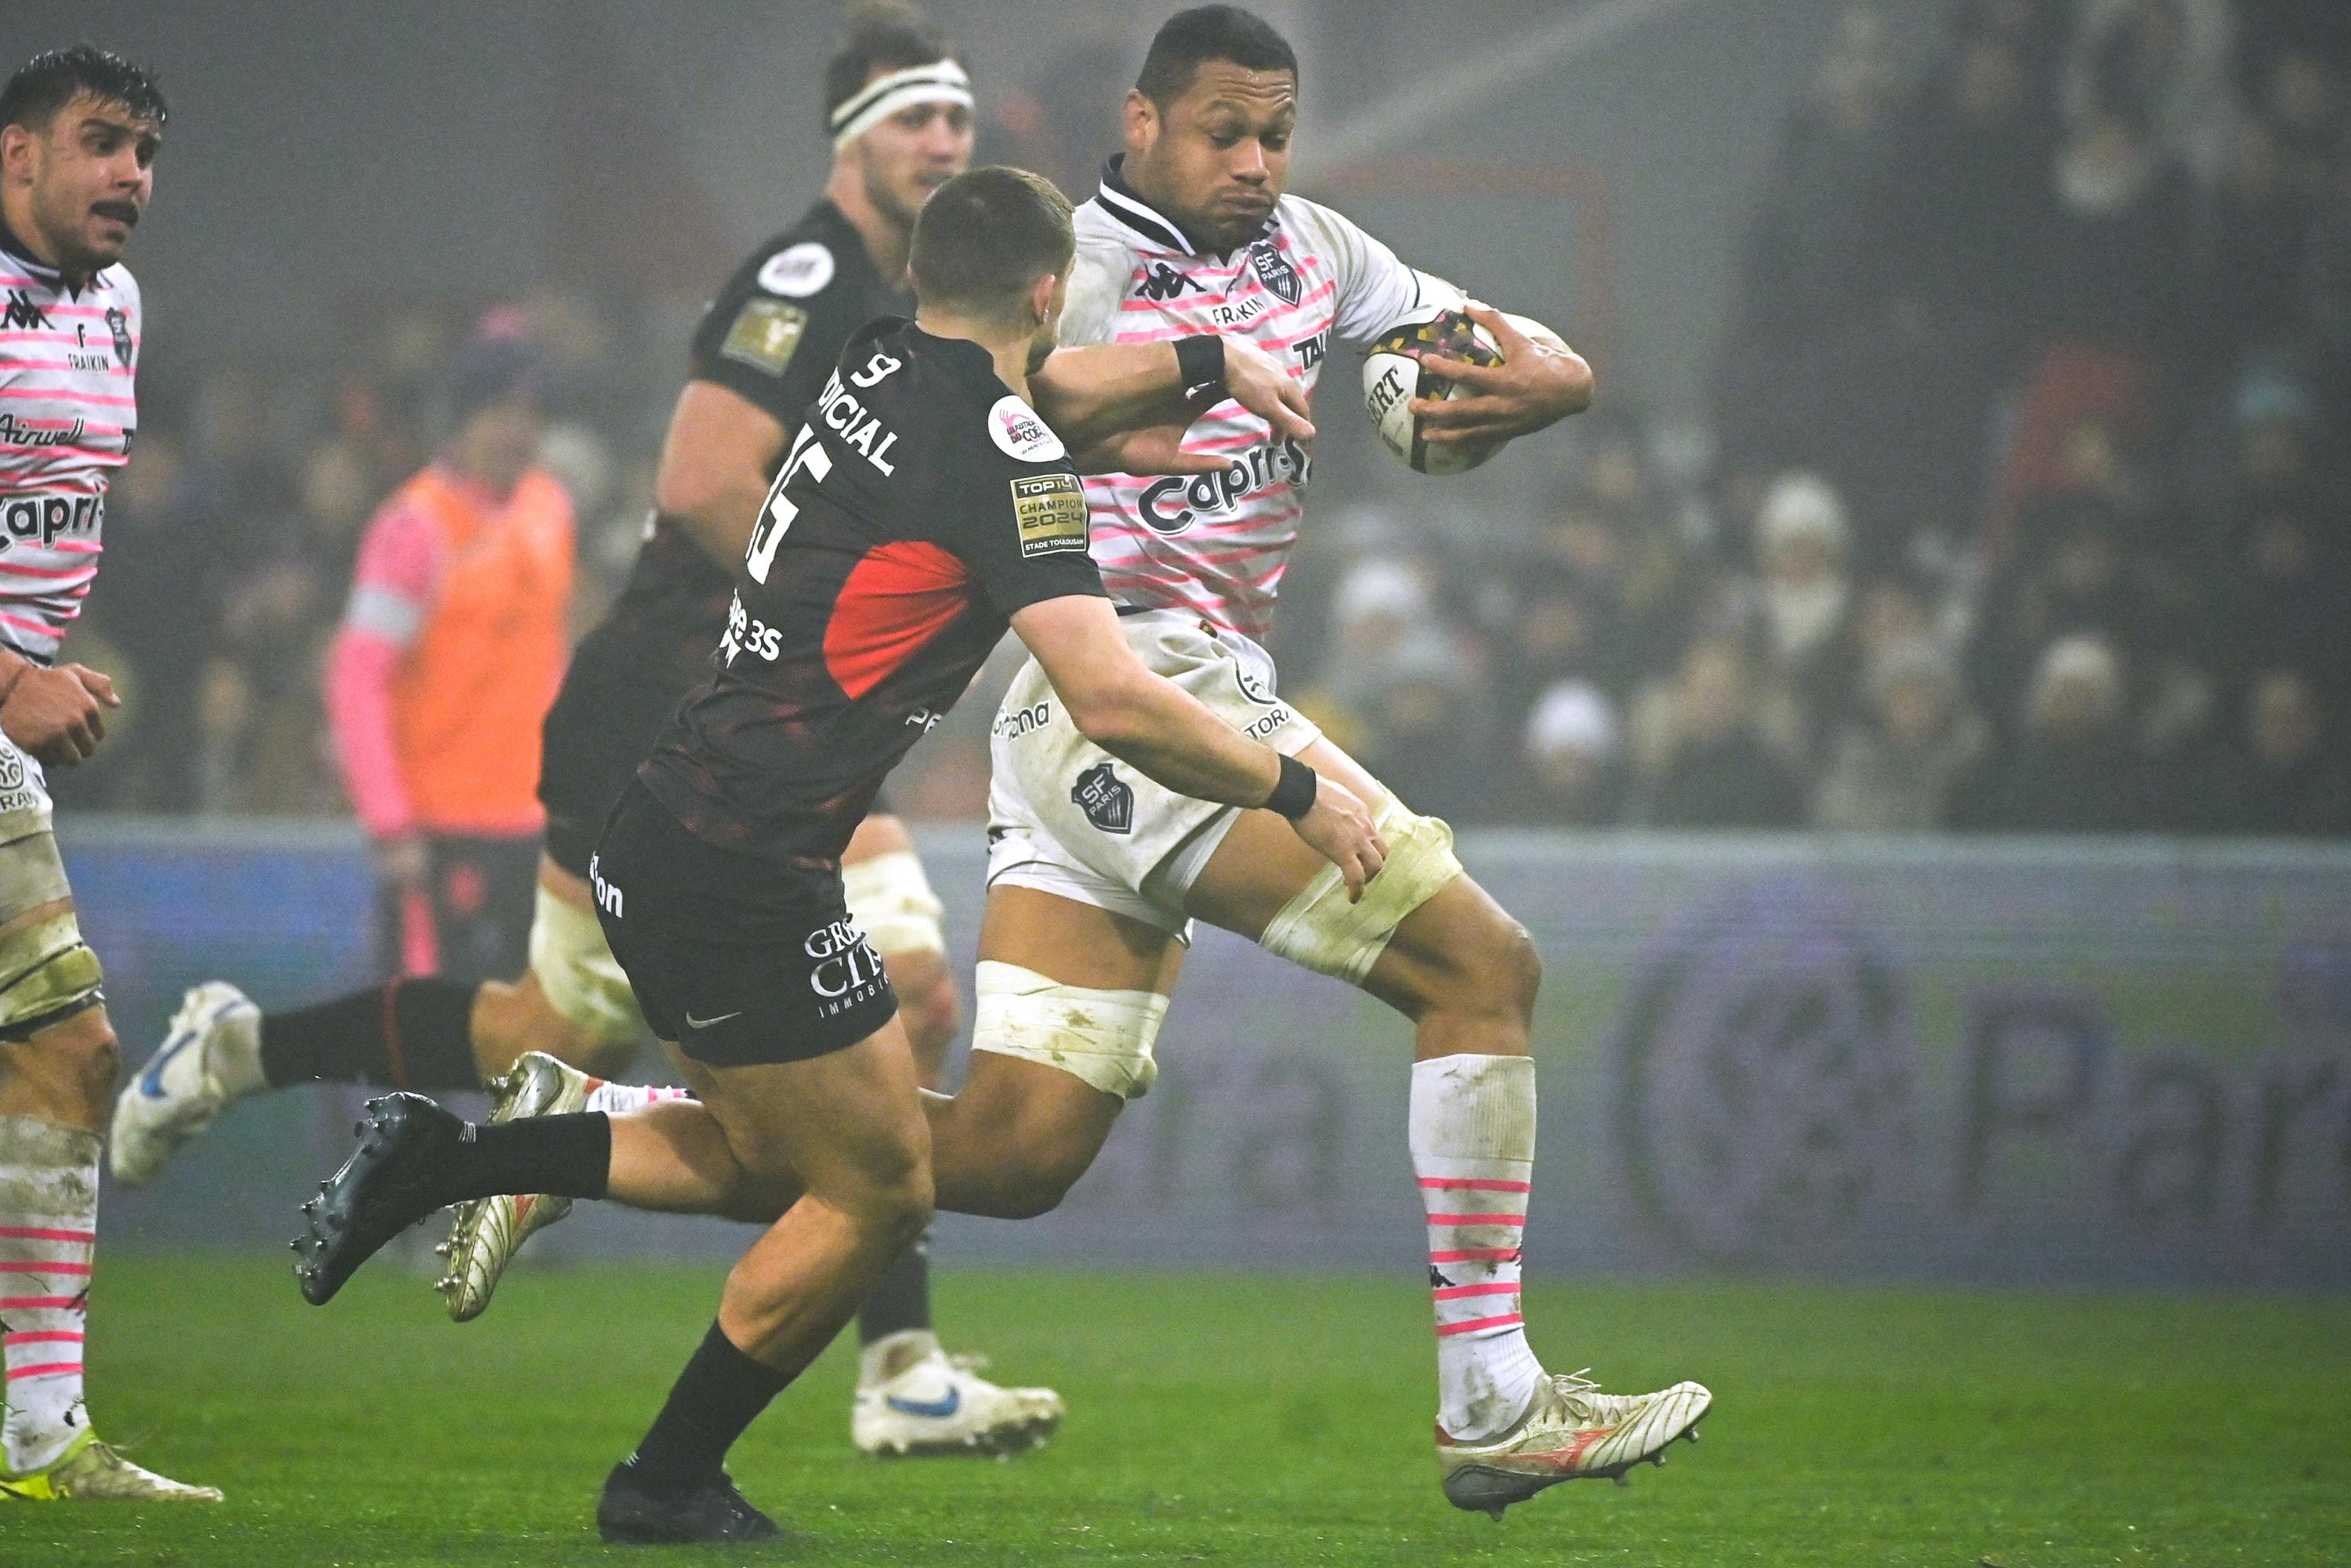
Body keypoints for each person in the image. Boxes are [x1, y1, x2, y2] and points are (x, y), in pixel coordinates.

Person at [469, 5, 1710, 1523]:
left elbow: (1502, 341)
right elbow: (998, 404)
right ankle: (1492, 1397)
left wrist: (1554, 386)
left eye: (1274, 133)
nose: (1254, 162)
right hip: (1129, 690)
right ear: (1140, 125)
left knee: (1004, 1150)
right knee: (1481, 967)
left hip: (1135, 718)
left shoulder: (1321, 249)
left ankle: (564, 1135)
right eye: (1222, 133)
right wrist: (1182, 373)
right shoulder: (1067, 270)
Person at [288, 164, 1376, 1545]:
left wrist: (1204, 368)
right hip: (741, 867)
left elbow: (1045, 399)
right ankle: (662, 1481)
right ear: (1048, 296)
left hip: (677, 826)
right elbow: (1109, 697)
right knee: (874, 1191)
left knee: (781, 1152)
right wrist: (1294, 785)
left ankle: (452, 1160)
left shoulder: (874, 361)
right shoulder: (1010, 452)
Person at [107, 0, 1061, 1458]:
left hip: (774, 719)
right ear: (847, 139)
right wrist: (849, 622)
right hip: (704, 702)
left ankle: (896, 1359)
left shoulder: (924, 306)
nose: (944, 138)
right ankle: (272, 1058)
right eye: (913, 116)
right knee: (577, 1033)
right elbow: (696, 481)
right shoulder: (804, 278)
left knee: (887, 1008)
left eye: (956, 116)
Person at [0, 45, 218, 1503]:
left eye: (145, 149)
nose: (131, 174)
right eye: (100, 143)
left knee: (64, 1055)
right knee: (65, 1054)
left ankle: (40, 1439)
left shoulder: (117, 308)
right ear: (17, 155)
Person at [325, 320, 573, 984]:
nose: (515, 431)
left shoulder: (550, 509)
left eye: (531, 414)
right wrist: (390, 823)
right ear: (461, 417)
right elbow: (357, 681)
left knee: (525, 1036)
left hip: (531, 826)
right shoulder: (416, 528)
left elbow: (545, 660)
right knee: (426, 1040)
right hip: (438, 833)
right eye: (498, 411)